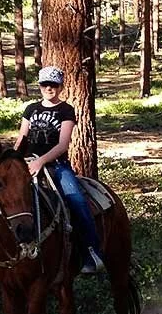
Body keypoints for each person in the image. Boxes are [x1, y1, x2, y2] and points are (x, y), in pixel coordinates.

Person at [14, 66, 104, 274]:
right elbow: (22, 138)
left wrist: (41, 162)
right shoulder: (31, 109)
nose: (49, 88)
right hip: (28, 163)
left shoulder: (66, 110)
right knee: (6, 198)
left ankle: (92, 251)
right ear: (39, 86)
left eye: (53, 84)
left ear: (61, 86)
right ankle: (1, 258)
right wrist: (14, 159)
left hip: (57, 165)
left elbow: (63, 145)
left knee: (78, 201)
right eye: (45, 84)